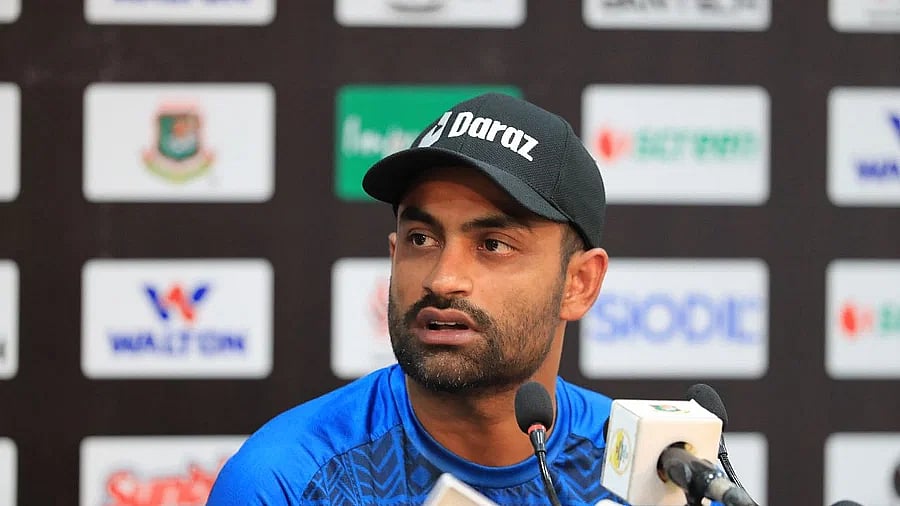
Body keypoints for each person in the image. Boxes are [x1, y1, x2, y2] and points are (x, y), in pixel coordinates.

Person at [207, 93, 619, 505]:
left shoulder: (631, 468)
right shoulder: (287, 482)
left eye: (493, 245)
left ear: (579, 283)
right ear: (394, 253)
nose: (442, 279)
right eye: (420, 239)